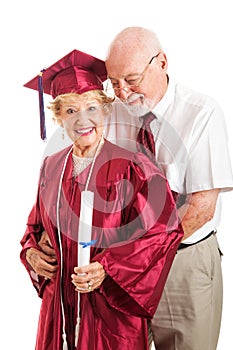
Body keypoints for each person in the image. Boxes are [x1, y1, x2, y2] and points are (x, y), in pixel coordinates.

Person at [20, 49, 184, 350]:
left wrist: (108, 267)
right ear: (58, 117)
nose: (83, 120)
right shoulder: (51, 166)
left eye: (91, 108)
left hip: (110, 313)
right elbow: (35, 229)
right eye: (71, 111)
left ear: (105, 110)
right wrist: (32, 253)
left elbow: (163, 233)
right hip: (59, 307)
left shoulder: (133, 165)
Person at [103, 26, 233, 350]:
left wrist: (145, 252)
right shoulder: (114, 112)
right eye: (114, 83)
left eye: (131, 80)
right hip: (123, 263)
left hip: (182, 263)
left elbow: (202, 208)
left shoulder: (202, 114)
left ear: (161, 62)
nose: (122, 92)